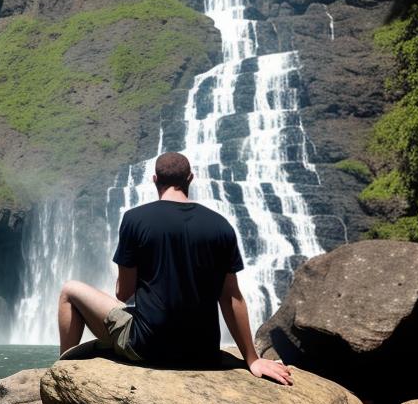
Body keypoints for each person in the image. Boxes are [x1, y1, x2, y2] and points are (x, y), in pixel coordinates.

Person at [57, 152, 293, 384]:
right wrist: (251, 359)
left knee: (70, 290)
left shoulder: (134, 219)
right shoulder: (221, 225)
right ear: (190, 178)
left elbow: (123, 293)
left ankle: (60, 376)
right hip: (203, 353)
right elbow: (232, 297)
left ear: (154, 180)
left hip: (148, 348)